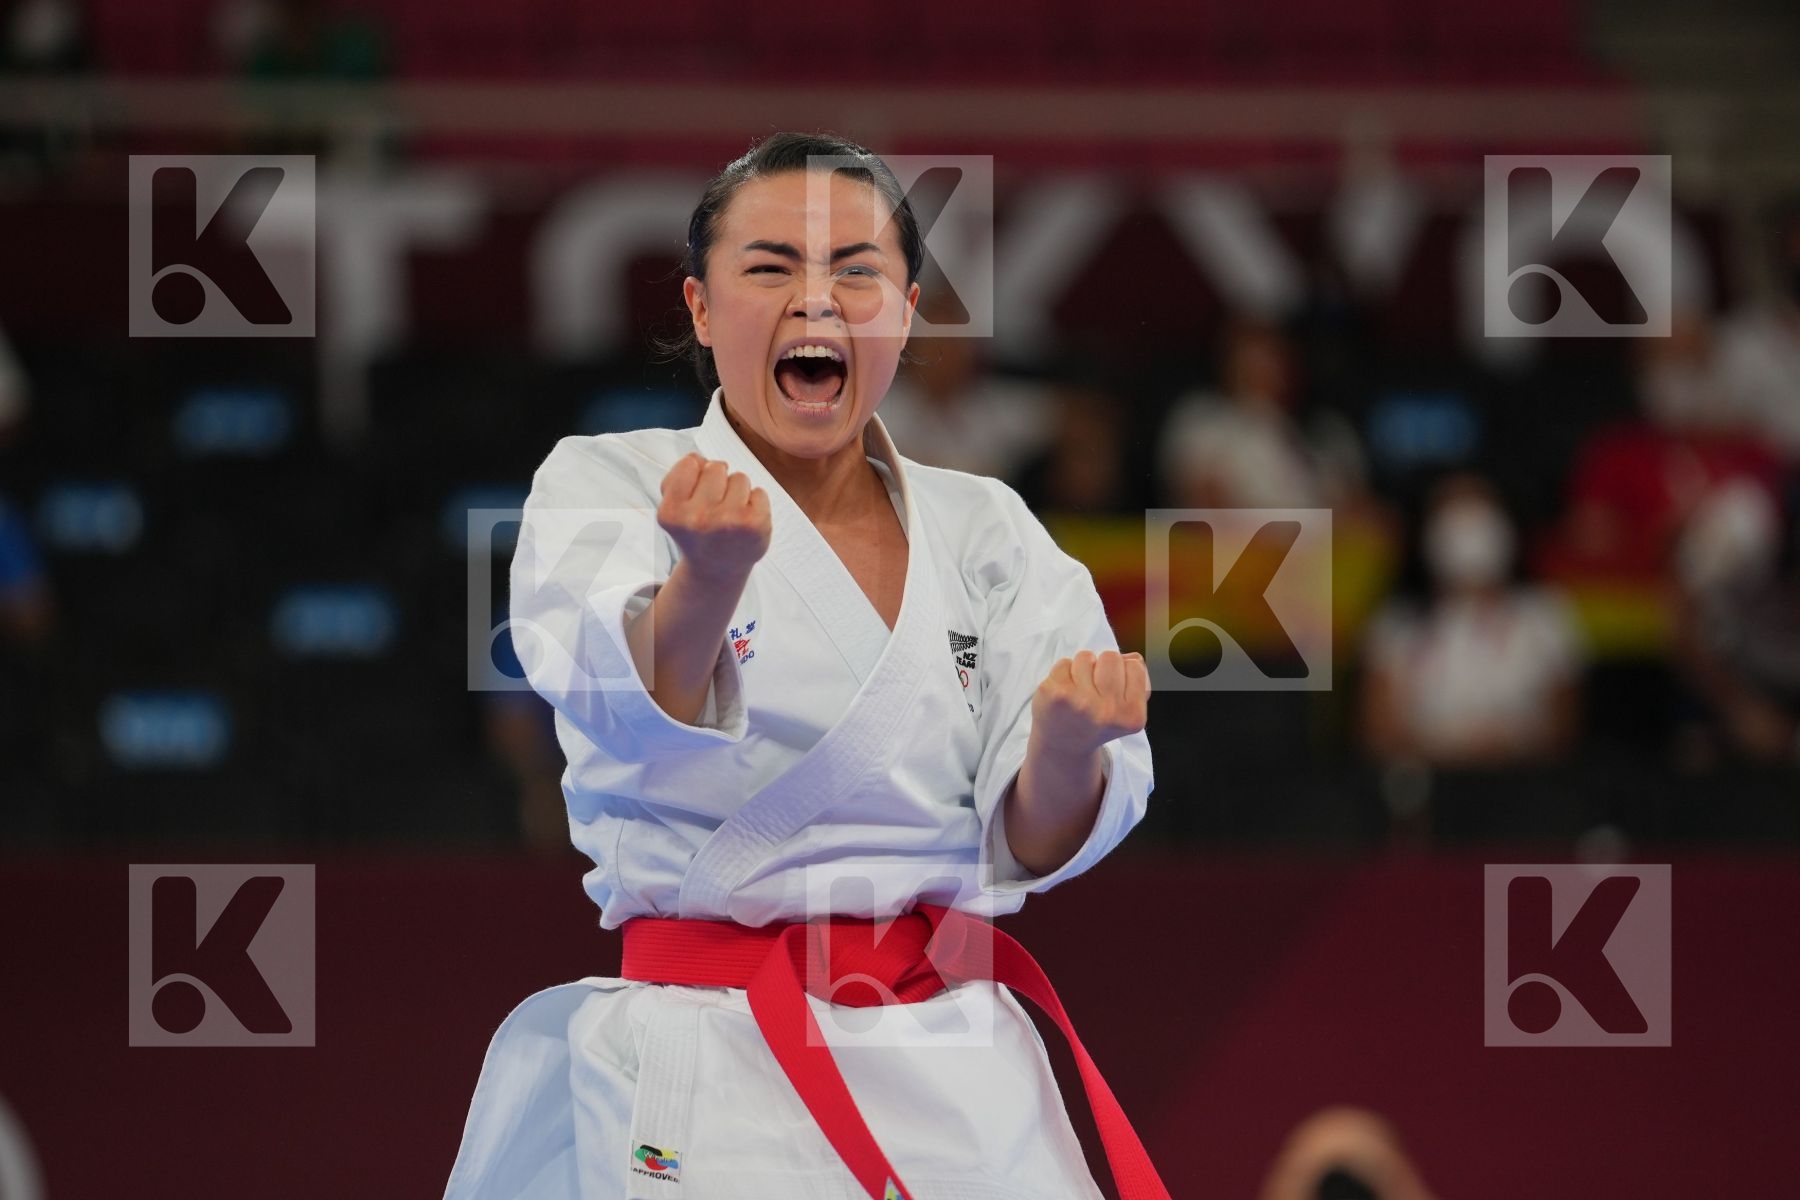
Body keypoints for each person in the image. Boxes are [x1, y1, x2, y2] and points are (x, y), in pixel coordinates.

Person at [443, 133, 1161, 1200]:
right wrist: (704, 583)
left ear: (907, 310)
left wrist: (1063, 748)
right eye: (771, 267)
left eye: (856, 272)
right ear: (698, 308)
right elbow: (626, 714)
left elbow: (1035, 840)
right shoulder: (609, 482)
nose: (816, 300)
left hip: (956, 1062)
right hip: (712, 1046)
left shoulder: (989, 531)